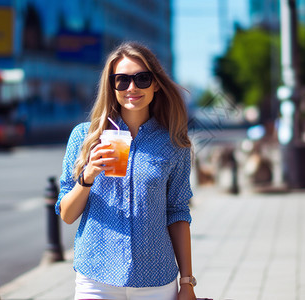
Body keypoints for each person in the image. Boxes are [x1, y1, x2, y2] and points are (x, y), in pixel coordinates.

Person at [56, 42, 197, 300]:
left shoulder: (173, 144)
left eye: (142, 79)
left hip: (155, 278)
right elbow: (66, 214)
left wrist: (187, 282)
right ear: (112, 86)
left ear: (156, 83)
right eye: (122, 80)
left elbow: (177, 211)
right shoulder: (84, 137)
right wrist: (87, 178)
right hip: (96, 277)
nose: (132, 88)